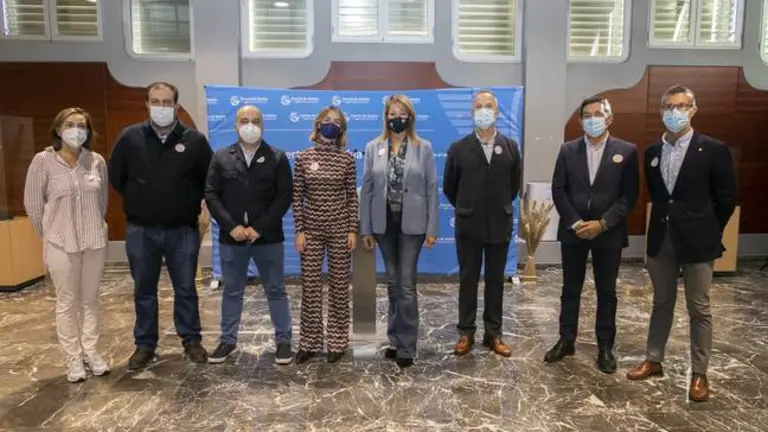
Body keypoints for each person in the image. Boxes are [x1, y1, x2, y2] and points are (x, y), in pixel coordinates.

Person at [627, 85, 736, 402]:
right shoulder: (652, 152)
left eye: (682, 106)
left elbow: (726, 198)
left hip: (698, 242)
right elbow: (659, 197)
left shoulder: (713, 149)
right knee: (661, 302)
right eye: (668, 106)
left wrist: (709, 229)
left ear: (693, 110)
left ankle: (700, 372)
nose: (674, 112)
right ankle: (653, 358)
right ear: (661, 111)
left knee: (699, 308)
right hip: (662, 239)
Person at [109, 82, 213, 370]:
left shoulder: (194, 141)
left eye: (167, 102)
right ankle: (145, 344)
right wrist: (142, 198)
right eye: (156, 101)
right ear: (147, 104)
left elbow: (208, 178)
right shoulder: (130, 137)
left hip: (182, 229)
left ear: (176, 106)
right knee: (144, 289)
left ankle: (191, 340)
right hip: (141, 229)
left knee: (185, 287)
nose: (161, 107)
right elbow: (117, 176)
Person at [545, 96, 639, 374]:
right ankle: (566, 340)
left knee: (606, 292)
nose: (593, 119)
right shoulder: (567, 150)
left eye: (598, 113)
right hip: (574, 232)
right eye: (587, 115)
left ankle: (605, 347)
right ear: (580, 120)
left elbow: (629, 195)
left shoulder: (627, 151)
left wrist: (603, 223)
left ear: (609, 118)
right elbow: (558, 189)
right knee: (570, 289)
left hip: (608, 233)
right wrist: (575, 222)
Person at [24, 107, 110, 382]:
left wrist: (93, 225)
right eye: (70, 125)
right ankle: (73, 357)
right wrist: (50, 234)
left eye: (82, 126)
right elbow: (33, 206)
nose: (76, 131)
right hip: (61, 243)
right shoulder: (43, 161)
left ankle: (91, 352)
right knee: (67, 301)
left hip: (93, 241)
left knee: (91, 300)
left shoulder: (96, 161)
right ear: (58, 130)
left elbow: (102, 202)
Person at [204, 105, 294, 365]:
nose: (250, 125)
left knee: (275, 290)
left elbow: (284, 196)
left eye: (255, 121)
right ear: (236, 125)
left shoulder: (277, 157)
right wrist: (231, 226)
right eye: (244, 120)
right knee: (232, 291)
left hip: (268, 238)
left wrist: (259, 227)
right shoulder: (221, 156)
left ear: (262, 125)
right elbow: (211, 194)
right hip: (232, 238)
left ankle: (284, 342)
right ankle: (227, 341)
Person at [359, 94, 439, 368]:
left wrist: (432, 227)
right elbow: (367, 190)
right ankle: (394, 340)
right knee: (393, 284)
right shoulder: (373, 147)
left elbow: (431, 188)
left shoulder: (423, 148)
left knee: (406, 285)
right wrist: (366, 229)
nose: (397, 118)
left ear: (410, 118)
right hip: (384, 226)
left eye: (402, 114)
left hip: (412, 226)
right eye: (392, 114)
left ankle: (407, 345)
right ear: (385, 117)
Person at [443, 89, 522, 357]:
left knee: (495, 281)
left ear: (497, 112)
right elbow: (450, 187)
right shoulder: (458, 148)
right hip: (469, 225)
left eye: (489, 106)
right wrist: (468, 206)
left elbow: (514, 186)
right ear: (471, 112)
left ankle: (493, 333)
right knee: (468, 280)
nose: (484, 110)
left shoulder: (510, 147)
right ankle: (466, 332)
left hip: (499, 224)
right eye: (479, 106)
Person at [292, 105, 358, 364]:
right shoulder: (303, 157)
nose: (332, 124)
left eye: (337, 121)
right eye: (327, 120)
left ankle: (337, 342)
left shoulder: (347, 159)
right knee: (310, 288)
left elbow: (351, 197)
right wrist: (300, 230)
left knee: (339, 288)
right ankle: (309, 343)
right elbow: (297, 197)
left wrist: (352, 229)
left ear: (341, 129)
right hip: (311, 231)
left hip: (340, 231)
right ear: (318, 124)